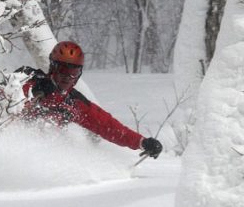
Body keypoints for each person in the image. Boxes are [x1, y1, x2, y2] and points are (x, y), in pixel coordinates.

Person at [17, 41, 163, 158]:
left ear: (79, 74)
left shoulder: (74, 103)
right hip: (15, 145)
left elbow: (108, 126)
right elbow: (5, 95)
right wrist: (33, 90)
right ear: (53, 68)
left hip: (43, 156)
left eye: (73, 72)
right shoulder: (31, 80)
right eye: (63, 71)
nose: (68, 77)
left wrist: (142, 142)